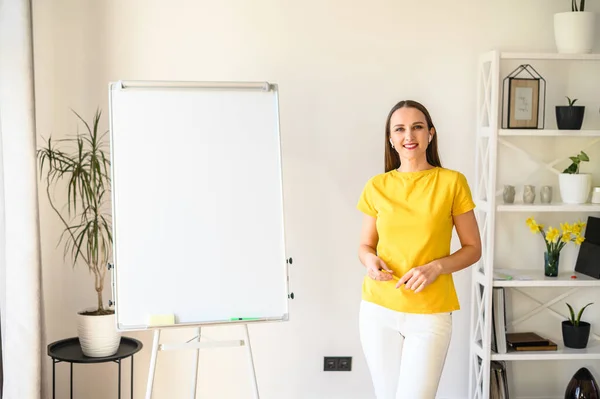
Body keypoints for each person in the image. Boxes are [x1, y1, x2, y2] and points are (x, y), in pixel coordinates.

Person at [356, 100, 482, 399]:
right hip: (378, 310)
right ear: (391, 139)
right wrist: (370, 261)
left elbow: (473, 248)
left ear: (430, 134)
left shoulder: (452, 182)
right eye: (399, 129)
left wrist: (436, 267)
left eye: (417, 127)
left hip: (430, 313)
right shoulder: (377, 186)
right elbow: (364, 246)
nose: (408, 135)